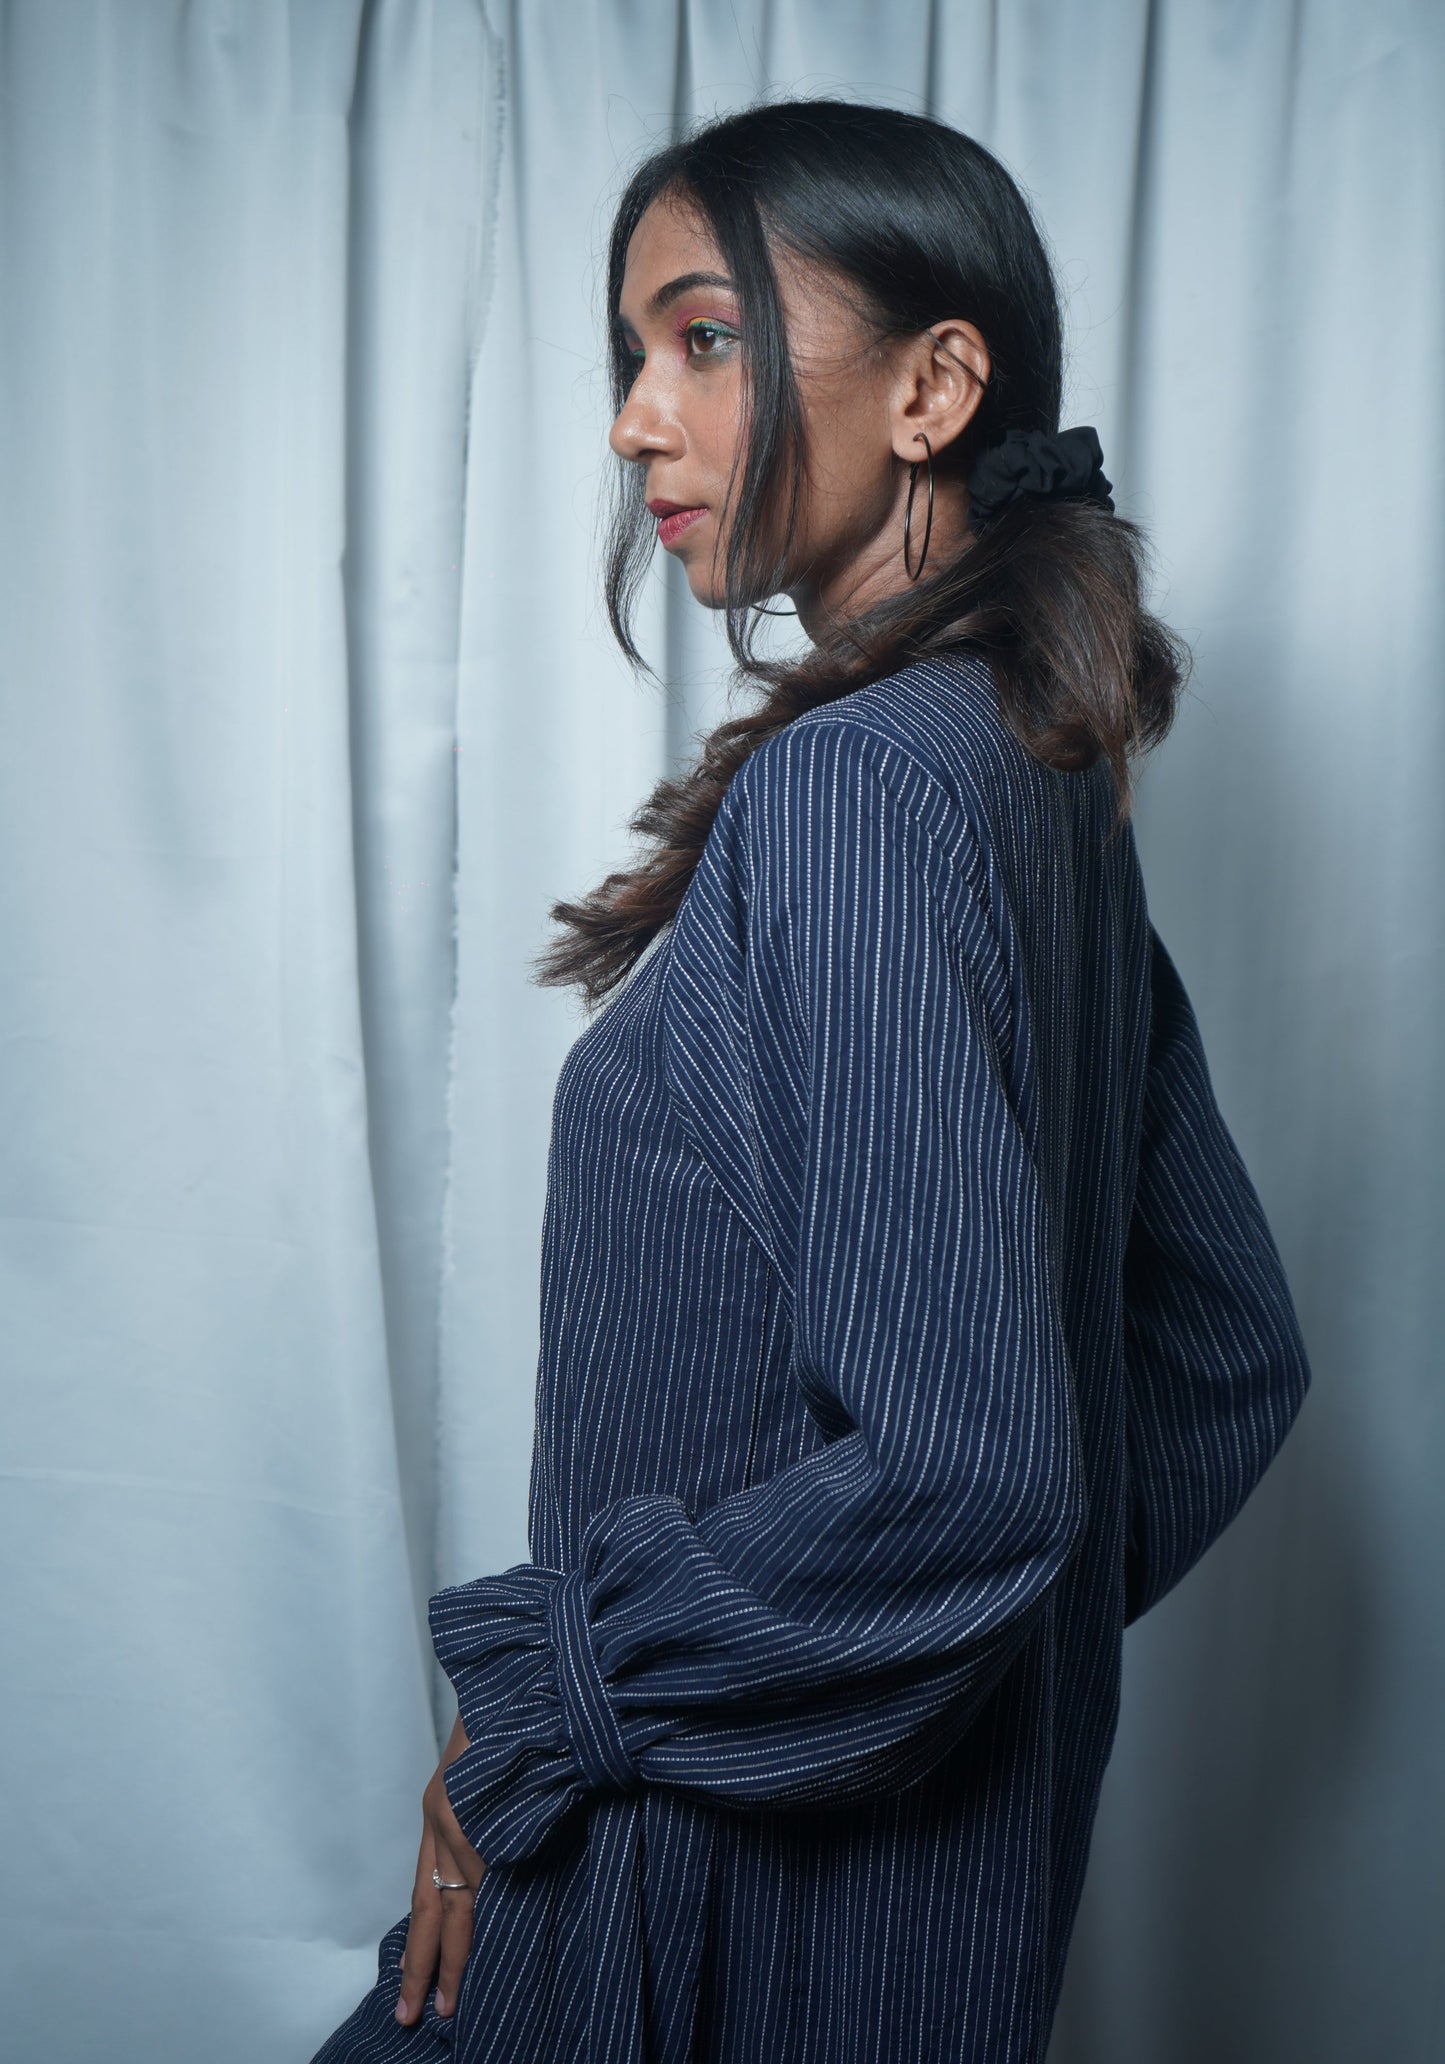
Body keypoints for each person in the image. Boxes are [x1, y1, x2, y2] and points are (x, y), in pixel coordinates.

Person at [311, 97, 1311, 2064]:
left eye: (702, 338)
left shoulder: (866, 791)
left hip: (716, 1891)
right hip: (861, 1896)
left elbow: (971, 1472)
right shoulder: (1026, 779)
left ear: (937, 385)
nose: (632, 420)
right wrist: (960, 1695)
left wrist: (559, 1706)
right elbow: (1218, 1356)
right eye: (628, 355)